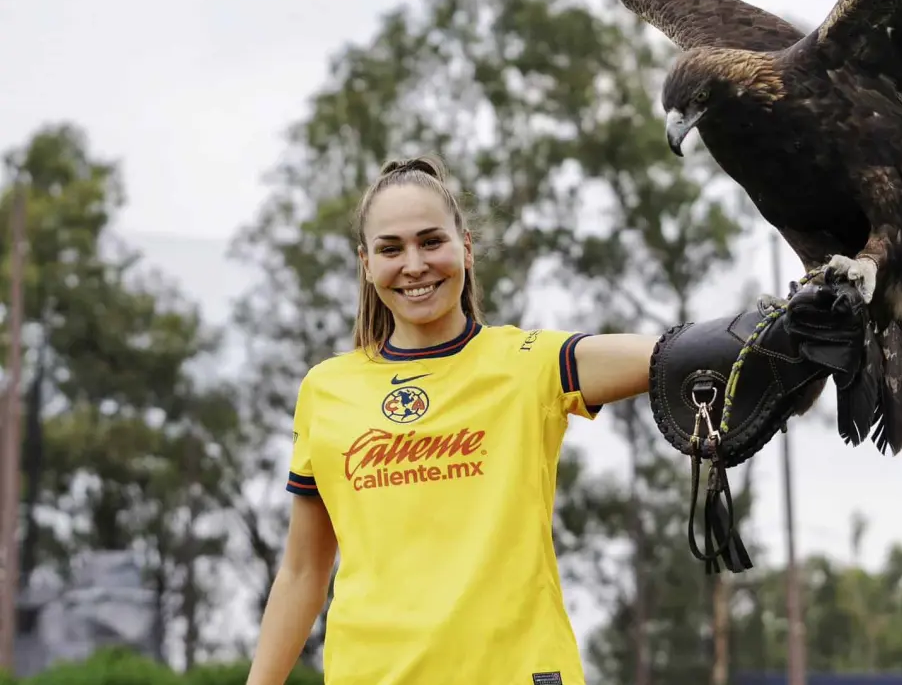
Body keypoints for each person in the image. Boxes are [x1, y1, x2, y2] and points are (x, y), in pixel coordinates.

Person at [244, 156, 662, 685]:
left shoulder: (530, 363)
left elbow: (668, 355)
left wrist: (767, 335)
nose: (414, 264)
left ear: (464, 246)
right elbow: (303, 571)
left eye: (430, 241)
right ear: (366, 264)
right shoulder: (326, 390)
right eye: (390, 249)